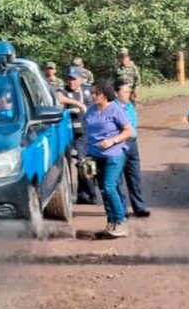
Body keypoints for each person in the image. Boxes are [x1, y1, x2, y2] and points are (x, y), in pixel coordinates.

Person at [82, 82, 134, 239]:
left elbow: (128, 131)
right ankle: (111, 221)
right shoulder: (91, 110)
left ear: (104, 95)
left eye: (95, 93)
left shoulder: (115, 110)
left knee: (110, 187)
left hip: (114, 154)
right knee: (103, 189)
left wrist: (113, 140)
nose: (92, 96)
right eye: (91, 93)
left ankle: (121, 220)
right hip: (94, 155)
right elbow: (88, 131)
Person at [57, 67, 97, 204]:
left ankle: (85, 195)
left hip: (86, 134)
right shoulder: (64, 91)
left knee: (86, 163)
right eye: (69, 79)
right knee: (76, 164)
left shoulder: (87, 90)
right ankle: (87, 194)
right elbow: (58, 97)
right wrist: (77, 103)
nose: (71, 82)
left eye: (74, 79)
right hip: (70, 134)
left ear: (80, 79)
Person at [114, 81, 150, 218]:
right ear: (116, 93)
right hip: (119, 145)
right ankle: (121, 209)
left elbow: (134, 124)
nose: (128, 94)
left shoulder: (130, 106)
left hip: (132, 144)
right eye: (125, 92)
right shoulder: (113, 108)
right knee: (117, 179)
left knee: (135, 177)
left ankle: (139, 206)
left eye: (129, 92)